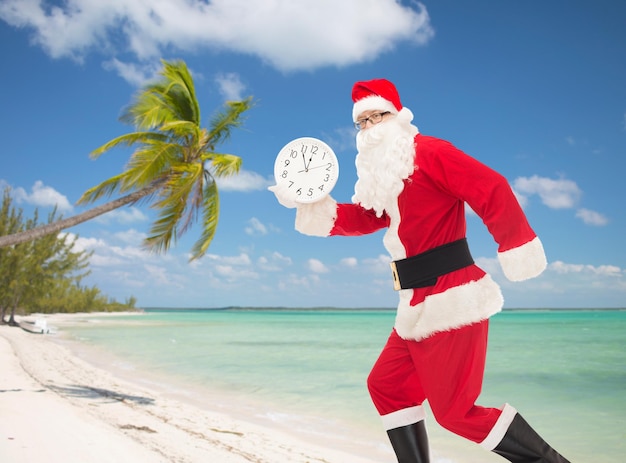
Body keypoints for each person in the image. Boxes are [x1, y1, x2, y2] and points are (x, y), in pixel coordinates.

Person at [270, 78, 571, 463]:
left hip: (452, 298)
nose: (368, 129)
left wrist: (515, 245)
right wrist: (309, 201)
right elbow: (364, 217)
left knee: (456, 414)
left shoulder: (429, 152)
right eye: (361, 123)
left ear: (396, 116)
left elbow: (491, 186)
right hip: (414, 302)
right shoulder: (387, 177)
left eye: (375, 117)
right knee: (387, 385)